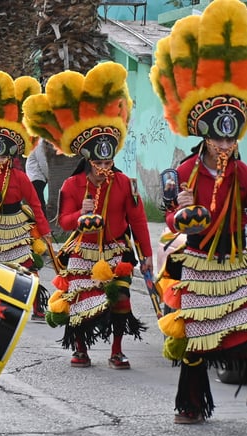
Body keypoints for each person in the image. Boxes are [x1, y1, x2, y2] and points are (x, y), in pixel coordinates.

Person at [150, 0, 247, 423]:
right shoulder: (184, 172)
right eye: (217, 141)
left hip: (236, 260)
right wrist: (181, 212)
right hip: (197, 263)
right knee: (194, 339)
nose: (224, 148)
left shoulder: (244, 173)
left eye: (230, 141)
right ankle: (192, 405)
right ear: (204, 136)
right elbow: (171, 219)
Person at [23, 62, 153, 369]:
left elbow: (138, 222)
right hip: (82, 251)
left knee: (121, 300)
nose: (104, 165)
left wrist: (147, 256)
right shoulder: (72, 184)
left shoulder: (125, 184)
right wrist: (79, 218)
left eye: (108, 158)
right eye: (99, 159)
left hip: (116, 251)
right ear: (88, 157)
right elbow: (63, 222)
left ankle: (117, 350)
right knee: (80, 304)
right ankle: (80, 348)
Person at [0, 71, 52, 318]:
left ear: (12, 156)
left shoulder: (21, 177)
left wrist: (44, 232)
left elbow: (35, 204)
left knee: (27, 265)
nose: (0, 160)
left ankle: (36, 305)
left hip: (17, 224)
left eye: (4, 156)